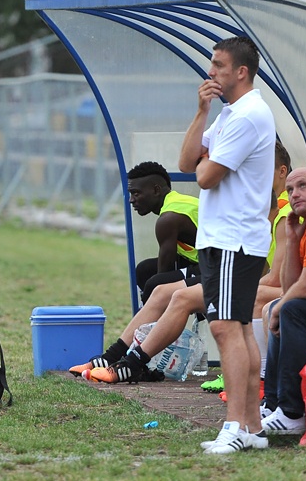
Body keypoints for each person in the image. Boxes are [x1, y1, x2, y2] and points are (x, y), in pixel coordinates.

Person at [69, 141, 293, 384]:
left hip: (254, 282)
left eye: (260, 170)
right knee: (162, 291)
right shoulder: (262, 205)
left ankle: (133, 364)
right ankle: (112, 357)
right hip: (229, 272)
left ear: (282, 171)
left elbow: (274, 275)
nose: (253, 178)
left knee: (174, 293)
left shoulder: (284, 211)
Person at [179, 35, 276, 455]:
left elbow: (204, 177)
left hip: (233, 240)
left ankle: (235, 423)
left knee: (224, 328)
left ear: (241, 71)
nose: (211, 71)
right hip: (226, 239)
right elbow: (186, 164)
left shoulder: (249, 114)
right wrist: (201, 111)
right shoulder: (228, 114)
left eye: (218, 65)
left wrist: (205, 161)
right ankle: (252, 427)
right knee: (236, 328)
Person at [260, 168, 306, 435]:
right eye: (290, 190)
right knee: (284, 307)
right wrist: (292, 240)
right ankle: (275, 404)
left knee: (289, 310)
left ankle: (291, 411)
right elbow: (290, 285)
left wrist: (280, 308)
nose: (294, 194)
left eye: (303, 186)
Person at [126, 161, 199, 304]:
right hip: (207, 261)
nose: (131, 200)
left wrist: (150, 300)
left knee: (155, 284)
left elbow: (164, 274)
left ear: (156, 190)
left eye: (136, 193)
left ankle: (152, 325)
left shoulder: (169, 218)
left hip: (225, 267)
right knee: (145, 270)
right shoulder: (176, 203)